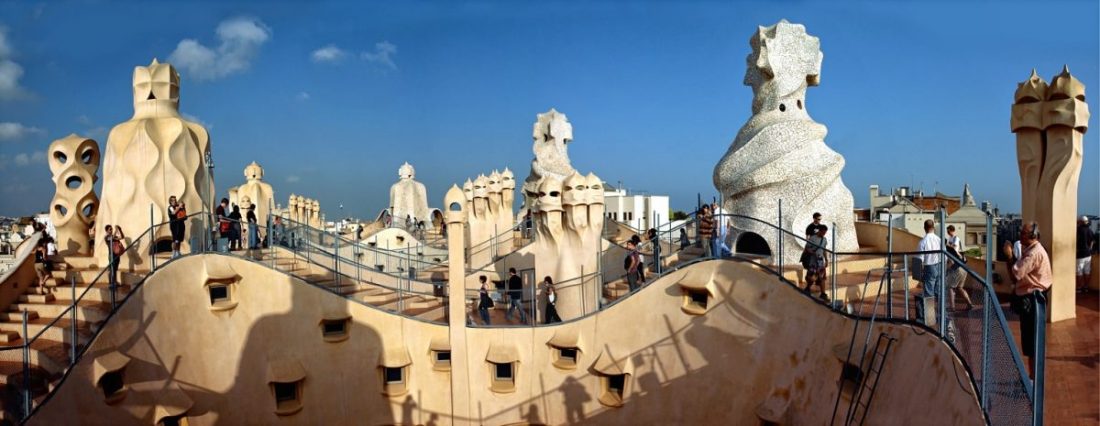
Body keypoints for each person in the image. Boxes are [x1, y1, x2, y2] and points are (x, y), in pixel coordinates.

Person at [1002, 221, 1052, 378]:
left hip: (1034, 299)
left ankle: (1034, 378)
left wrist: (1009, 256)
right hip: (1034, 297)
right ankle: (1033, 376)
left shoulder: (1033, 253)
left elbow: (1015, 275)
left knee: (1032, 342)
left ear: (1032, 236)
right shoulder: (1031, 249)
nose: (1019, 235)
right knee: (1031, 340)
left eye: (1022, 233)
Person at [916, 219, 943, 324]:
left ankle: (930, 319)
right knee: (939, 292)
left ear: (924, 228)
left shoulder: (923, 241)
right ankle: (942, 315)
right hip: (939, 266)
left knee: (928, 293)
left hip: (929, 267)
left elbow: (920, 259)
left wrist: (920, 273)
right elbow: (944, 256)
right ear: (933, 227)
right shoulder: (939, 239)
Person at [945, 225, 974, 311]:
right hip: (962, 266)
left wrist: (947, 246)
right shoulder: (951, 240)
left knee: (950, 287)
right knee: (960, 287)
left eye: (948, 231)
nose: (947, 232)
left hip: (957, 267)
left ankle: (952, 307)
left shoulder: (955, 239)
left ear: (952, 230)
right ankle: (969, 304)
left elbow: (954, 250)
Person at [805, 225, 829, 301]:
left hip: (820, 261)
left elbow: (824, 250)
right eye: (823, 232)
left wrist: (826, 259)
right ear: (819, 230)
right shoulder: (812, 238)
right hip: (812, 261)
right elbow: (807, 248)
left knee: (822, 278)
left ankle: (823, 293)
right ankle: (808, 287)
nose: (824, 234)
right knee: (811, 277)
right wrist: (812, 252)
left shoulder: (824, 239)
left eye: (825, 233)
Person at [1077, 216, 1095, 293]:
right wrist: (1090, 249)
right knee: (1087, 271)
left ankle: (1079, 288)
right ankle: (1086, 287)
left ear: (1081, 222)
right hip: (1088, 254)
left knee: (1079, 271)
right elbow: (1092, 241)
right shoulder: (1090, 230)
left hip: (1080, 254)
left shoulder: (1078, 230)